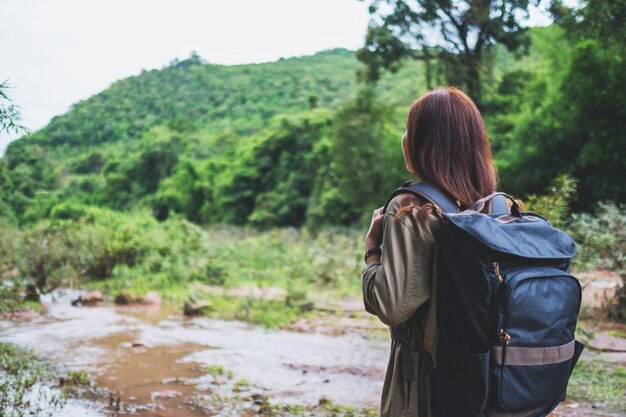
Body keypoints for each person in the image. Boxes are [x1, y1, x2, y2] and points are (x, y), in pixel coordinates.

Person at [361, 86, 500, 417]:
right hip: (490, 378)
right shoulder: (494, 206)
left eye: (410, 129)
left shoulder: (411, 207)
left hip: (426, 383)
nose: (404, 136)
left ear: (423, 143)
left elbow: (390, 306)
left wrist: (371, 251)